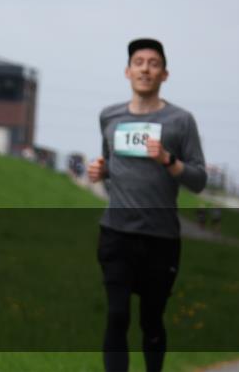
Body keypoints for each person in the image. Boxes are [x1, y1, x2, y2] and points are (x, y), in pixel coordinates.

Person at [87, 38, 207, 372]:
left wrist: (169, 160)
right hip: (116, 233)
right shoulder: (109, 117)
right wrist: (102, 171)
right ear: (127, 71)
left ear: (164, 74)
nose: (145, 69)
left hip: (161, 238)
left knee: (151, 321)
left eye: (153, 64)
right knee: (117, 315)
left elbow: (198, 179)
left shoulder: (181, 121)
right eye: (138, 63)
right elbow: (111, 166)